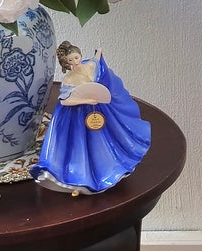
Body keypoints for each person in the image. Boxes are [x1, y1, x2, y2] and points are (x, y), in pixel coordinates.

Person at [31, 43, 150, 194]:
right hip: (75, 116)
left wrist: (99, 50)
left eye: (76, 57)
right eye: (70, 60)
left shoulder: (89, 66)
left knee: (102, 141)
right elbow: (64, 101)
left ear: (80, 55)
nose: (75, 61)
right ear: (66, 64)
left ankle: (108, 168)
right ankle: (79, 179)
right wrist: (85, 101)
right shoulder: (69, 79)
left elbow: (96, 59)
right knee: (78, 146)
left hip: (96, 110)